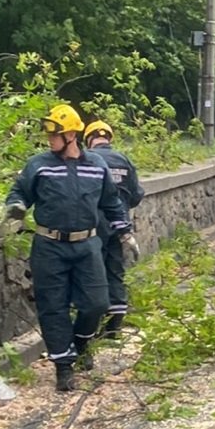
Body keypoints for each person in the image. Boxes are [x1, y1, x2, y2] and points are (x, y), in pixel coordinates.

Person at [5, 104, 135, 392]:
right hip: (49, 246)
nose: (49, 138)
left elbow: (111, 203)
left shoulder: (96, 166)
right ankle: (64, 367)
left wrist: (125, 233)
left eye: (55, 133)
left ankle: (81, 342)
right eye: (48, 133)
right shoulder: (38, 165)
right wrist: (15, 206)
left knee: (97, 303)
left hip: (87, 244)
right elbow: (19, 192)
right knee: (54, 308)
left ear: (72, 135)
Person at [83, 119, 145, 338]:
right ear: (109, 138)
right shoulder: (123, 159)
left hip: (94, 224)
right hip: (119, 226)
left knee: (92, 271)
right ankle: (115, 324)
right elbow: (137, 194)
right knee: (115, 269)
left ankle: (92, 322)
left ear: (89, 139)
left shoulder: (88, 159)